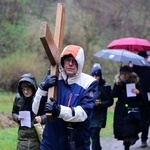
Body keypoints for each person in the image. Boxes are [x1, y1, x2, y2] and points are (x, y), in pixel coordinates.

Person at [32, 45, 98, 150]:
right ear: (62, 62)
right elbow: (36, 109)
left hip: (76, 144)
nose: (70, 64)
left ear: (80, 63)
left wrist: (58, 110)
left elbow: (83, 113)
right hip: (51, 143)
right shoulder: (53, 76)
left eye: (74, 61)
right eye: (67, 60)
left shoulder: (89, 83)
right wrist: (42, 88)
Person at [111, 65, 144, 150]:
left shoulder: (135, 82)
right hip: (121, 110)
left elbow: (142, 98)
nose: (125, 75)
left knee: (131, 130)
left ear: (130, 74)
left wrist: (138, 92)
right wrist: (116, 84)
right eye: (123, 73)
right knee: (124, 132)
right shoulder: (119, 82)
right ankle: (126, 146)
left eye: (126, 73)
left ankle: (129, 143)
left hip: (132, 109)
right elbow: (113, 95)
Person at [12, 73, 46, 150]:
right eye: (23, 89)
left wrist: (42, 118)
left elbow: (49, 115)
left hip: (38, 137)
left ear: (33, 87)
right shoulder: (18, 98)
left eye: (28, 89)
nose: (25, 92)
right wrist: (17, 117)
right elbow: (14, 112)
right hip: (22, 138)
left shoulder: (40, 99)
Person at [129, 51, 150, 148]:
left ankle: (137, 136)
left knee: (137, 118)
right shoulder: (134, 70)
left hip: (135, 98)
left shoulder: (132, 70)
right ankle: (143, 139)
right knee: (145, 119)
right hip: (144, 98)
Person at [90, 63, 113, 150]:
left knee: (95, 133)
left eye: (97, 76)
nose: (95, 78)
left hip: (100, 114)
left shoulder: (106, 87)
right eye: (93, 76)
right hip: (91, 113)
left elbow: (110, 101)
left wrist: (100, 103)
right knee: (90, 133)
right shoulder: (89, 85)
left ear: (100, 76)